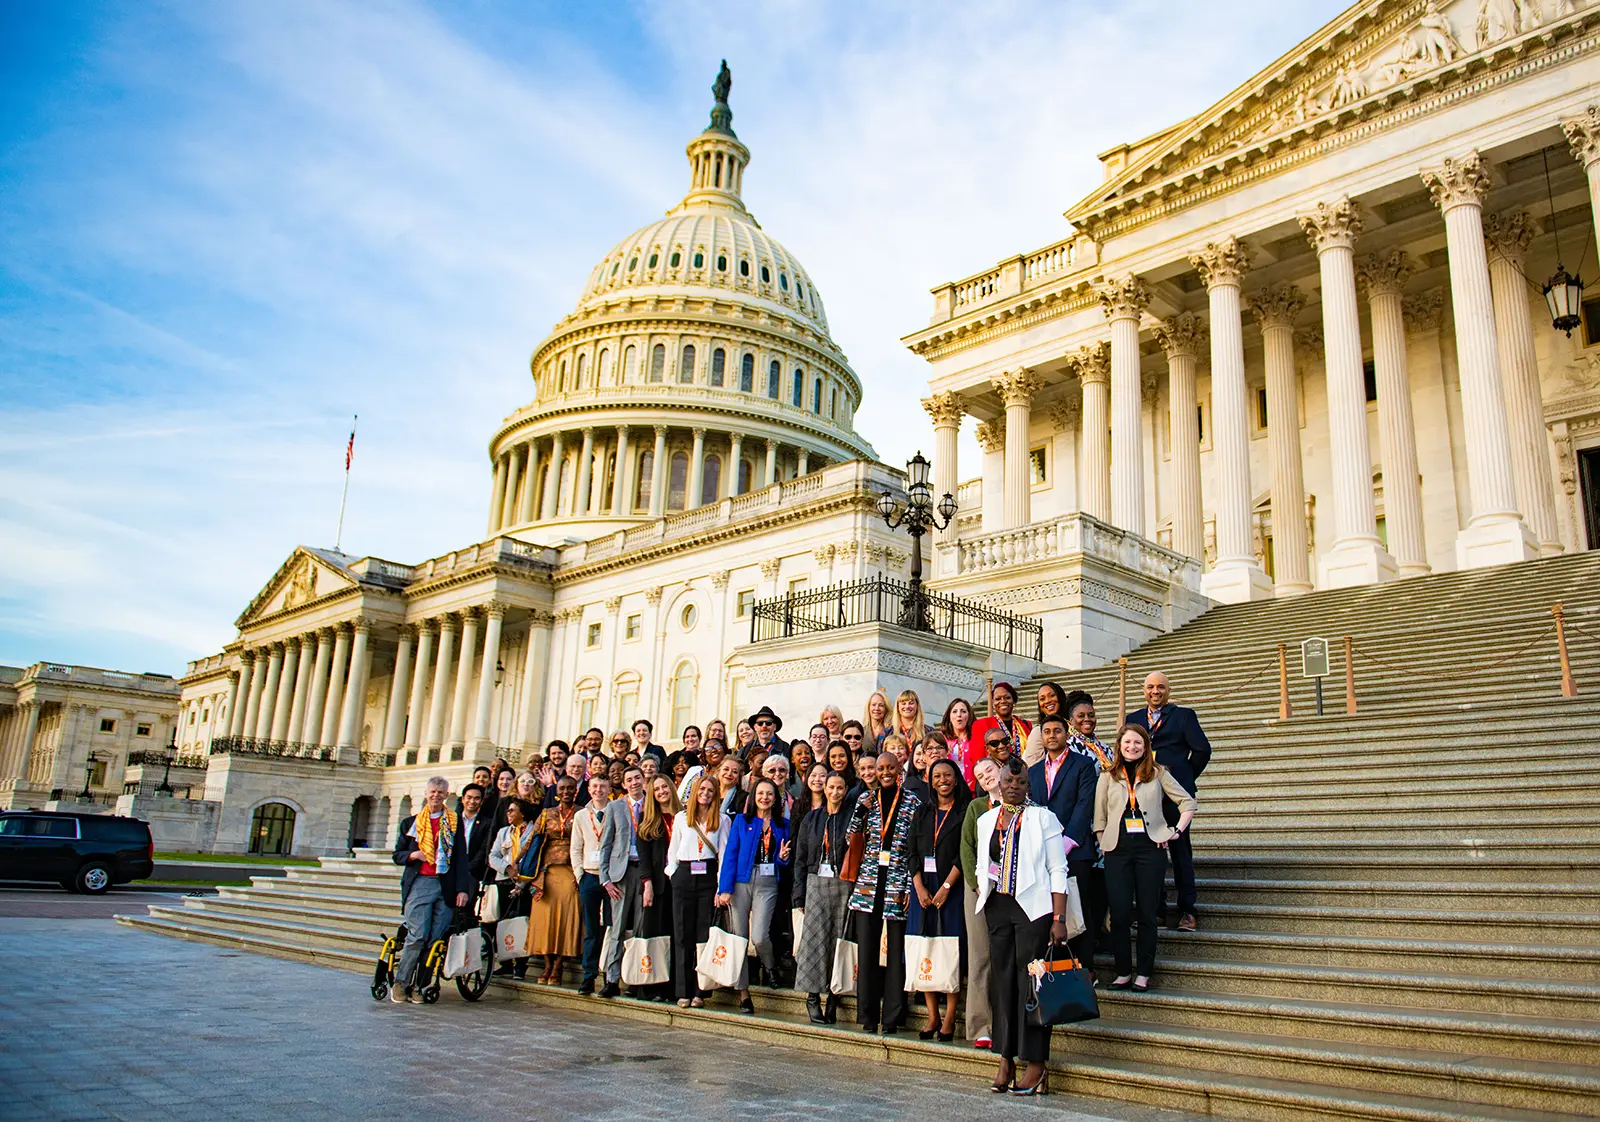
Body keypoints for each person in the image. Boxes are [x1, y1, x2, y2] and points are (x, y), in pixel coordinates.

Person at [976, 756, 1072, 1095]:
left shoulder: (1043, 818)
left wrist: (1059, 918)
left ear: (1029, 786)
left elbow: (1058, 869)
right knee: (1002, 983)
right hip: (998, 908)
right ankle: (1005, 1056)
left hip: (1034, 910)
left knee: (1031, 986)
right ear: (997, 784)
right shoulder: (986, 819)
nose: (1013, 788)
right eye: (1008, 782)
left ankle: (1035, 1063)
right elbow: (982, 863)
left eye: (1020, 783)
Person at [1095, 723, 1197, 992]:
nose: (1132, 747)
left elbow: (1187, 802)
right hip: (1117, 849)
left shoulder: (1158, 773)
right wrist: (1102, 840)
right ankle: (1122, 972)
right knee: (1118, 913)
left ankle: (1143, 973)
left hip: (1150, 848)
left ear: (1146, 746)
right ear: (1119, 745)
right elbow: (1099, 816)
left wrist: (1175, 831)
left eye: (1138, 743)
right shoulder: (1108, 775)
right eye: (1127, 743)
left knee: (1147, 913)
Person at [1125, 672, 1210, 931]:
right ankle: (1155, 910)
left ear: (1168, 690)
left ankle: (1187, 910)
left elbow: (1202, 750)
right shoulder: (1134, 719)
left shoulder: (1184, 716)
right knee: (1149, 854)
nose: (1155, 691)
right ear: (1144, 690)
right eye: (1150, 687)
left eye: (1161, 687)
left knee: (1180, 852)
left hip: (1173, 798)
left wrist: (1182, 777)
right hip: (1144, 797)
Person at [846, 751, 921, 1034]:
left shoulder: (913, 802)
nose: (886, 772)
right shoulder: (866, 800)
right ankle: (866, 1016)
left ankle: (891, 1017)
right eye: (881, 768)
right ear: (874, 771)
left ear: (899, 767)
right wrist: (861, 811)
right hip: (868, 883)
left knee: (895, 954)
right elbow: (851, 837)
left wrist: (910, 887)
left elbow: (916, 845)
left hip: (897, 881)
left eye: (891, 767)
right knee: (866, 951)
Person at [1028, 712, 1099, 969]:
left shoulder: (1082, 765)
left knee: (1079, 911)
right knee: (1051, 913)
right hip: (1044, 853)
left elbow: (1084, 804)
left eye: (1057, 731)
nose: (1052, 736)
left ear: (1066, 735)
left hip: (1075, 850)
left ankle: (1085, 968)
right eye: (1047, 732)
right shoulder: (1034, 771)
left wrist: (1068, 839)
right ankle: (1056, 968)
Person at [389, 777, 470, 1003]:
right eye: (433, 791)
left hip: (445, 884)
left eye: (441, 792)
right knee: (417, 936)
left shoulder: (454, 821)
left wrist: (462, 889)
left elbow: (461, 857)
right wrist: (414, 855)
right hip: (421, 882)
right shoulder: (411, 823)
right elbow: (398, 855)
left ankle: (419, 985)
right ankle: (401, 982)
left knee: (434, 938)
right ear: (426, 794)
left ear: (446, 795)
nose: (436, 795)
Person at [715, 777, 791, 1012]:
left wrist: (783, 858)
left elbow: (782, 860)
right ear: (753, 796)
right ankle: (743, 993)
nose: (764, 798)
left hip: (768, 883)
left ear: (776, 798)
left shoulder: (784, 825)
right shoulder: (741, 821)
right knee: (739, 939)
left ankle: (769, 967)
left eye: (769, 794)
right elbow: (730, 855)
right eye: (760, 793)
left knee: (759, 936)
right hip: (740, 882)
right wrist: (724, 889)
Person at [909, 758, 969, 1041]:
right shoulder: (922, 812)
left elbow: (964, 853)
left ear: (956, 779)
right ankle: (932, 1016)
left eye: (948, 775)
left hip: (952, 888)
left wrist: (946, 886)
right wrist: (919, 886)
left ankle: (949, 1017)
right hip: (924, 890)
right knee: (926, 949)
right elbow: (911, 853)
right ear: (930, 781)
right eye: (937, 776)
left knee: (950, 950)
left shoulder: (965, 811)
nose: (942, 780)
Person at [792, 769, 852, 1025]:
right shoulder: (812, 818)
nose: (835, 792)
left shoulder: (851, 818)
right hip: (816, 882)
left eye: (840, 788)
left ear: (845, 791)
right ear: (824, 789)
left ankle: (834, 998)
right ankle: (813, 997)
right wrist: (799, 894)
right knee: (814, 942)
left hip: (843, 883)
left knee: (839, 940)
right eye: (831, 787)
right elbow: (801, 857)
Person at [666, 772, 728, 1008]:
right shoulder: (682, 818)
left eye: (710, 791)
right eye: (701, 790)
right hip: (685, 873)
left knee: (703, 935)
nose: (705, 794)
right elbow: (673, 850)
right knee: (683, 935)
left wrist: (720, 886)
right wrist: (673, 874)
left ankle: (700, 991)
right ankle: (682, 989)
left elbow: (723, 855)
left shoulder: (722, 820)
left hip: (708, 877)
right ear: (694, 792)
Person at [959, 757, 1001, 1048]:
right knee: (980, 957)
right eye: (979, 775)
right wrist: (976, 885)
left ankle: (1008, 1022)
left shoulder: (1025, 805)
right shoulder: (976, 807)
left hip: (1015, 890)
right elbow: (966, 848)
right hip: (979, 888)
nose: (986, 776)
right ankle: (980, 1026)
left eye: (990, 770)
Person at [597, 765, 649, 998]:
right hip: (621, 872)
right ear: (624, 784)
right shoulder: (615, 807)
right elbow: (605, 844)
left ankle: (635, 978)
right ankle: (611, 978)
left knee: (640, 926)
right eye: (630, 780)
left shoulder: (652, 804)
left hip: (644, 870)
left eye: (637, 778)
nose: (634, 782)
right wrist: (605, 878)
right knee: (617, 928)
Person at [525, 779, 582, 984]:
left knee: (567, 919)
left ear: (576, 791)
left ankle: (559, 965)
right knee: (545, 920)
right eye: (562, 789)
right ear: (557, 792)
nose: (566, 792)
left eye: (570, 788)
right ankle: (547, 964)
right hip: (546, 873)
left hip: (570, 870)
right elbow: (533, 841)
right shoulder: (546, 813)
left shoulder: (581, 812)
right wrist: (517, 863)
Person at [632, 775, 680, 1002]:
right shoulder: (647, 819)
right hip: (657, 885)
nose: (661, 791)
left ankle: (672, 986)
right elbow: (644, 857)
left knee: (674, 934)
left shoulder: (682, 816)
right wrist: (647, 883)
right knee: (655, 935)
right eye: (656, 789)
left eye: (664, 787)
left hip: (679, 885)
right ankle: (652, 987)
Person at [487, 796, 541, 980]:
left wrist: (521, 882)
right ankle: (506, 963)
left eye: (512, 810)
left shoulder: (534, 831)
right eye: (508, 810)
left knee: (522, 923)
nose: (508, 813)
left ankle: (521, 965)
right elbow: (493, 856)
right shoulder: (503, 832)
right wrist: (507, 868)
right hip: (504, 882)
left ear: (522, 813)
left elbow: (533, 858)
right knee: (504, 922)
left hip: (525, 884)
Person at [568, 773, 611, 995]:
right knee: (592, 929)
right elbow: (575, 847)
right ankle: (588, 975)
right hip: (589, 876)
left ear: (609, 788)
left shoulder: (616, 811)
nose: (598, 790)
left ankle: (609, 976)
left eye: (602, 786)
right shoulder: (581, 816)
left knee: (611, 928)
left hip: (611, 879)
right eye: (594, 786)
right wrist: (580, 874)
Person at [972, 683, 1031, 760]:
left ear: (1013, 700)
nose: (1003, 701)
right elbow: (977, 758)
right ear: (993, 702)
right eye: (998, 699)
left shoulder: (1026, 725)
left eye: (1007, 697)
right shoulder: (981, 725)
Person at [455, 782, 492, 890]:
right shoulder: (451, 820)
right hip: (452, 869)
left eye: (476, 798)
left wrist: (468, 867)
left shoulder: (487, 823)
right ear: (463, 799)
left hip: (473, 873)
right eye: (469, 797)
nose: (472, 801)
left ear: (481, 801)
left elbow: (484, 849)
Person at [1023, 683, 1068, 767]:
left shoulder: (1073, 726)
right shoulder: (1038, 732)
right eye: (1042, 699)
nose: (1047, 701)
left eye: (1052, 695)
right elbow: (1034, 769)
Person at [940, 697, 976, 786]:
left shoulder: (976, 737)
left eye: (963, 711)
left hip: (973, 788)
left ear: (969, 715)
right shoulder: (940, 738)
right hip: (950, 787)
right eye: (955, 711)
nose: (959, 715)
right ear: (949, 716)